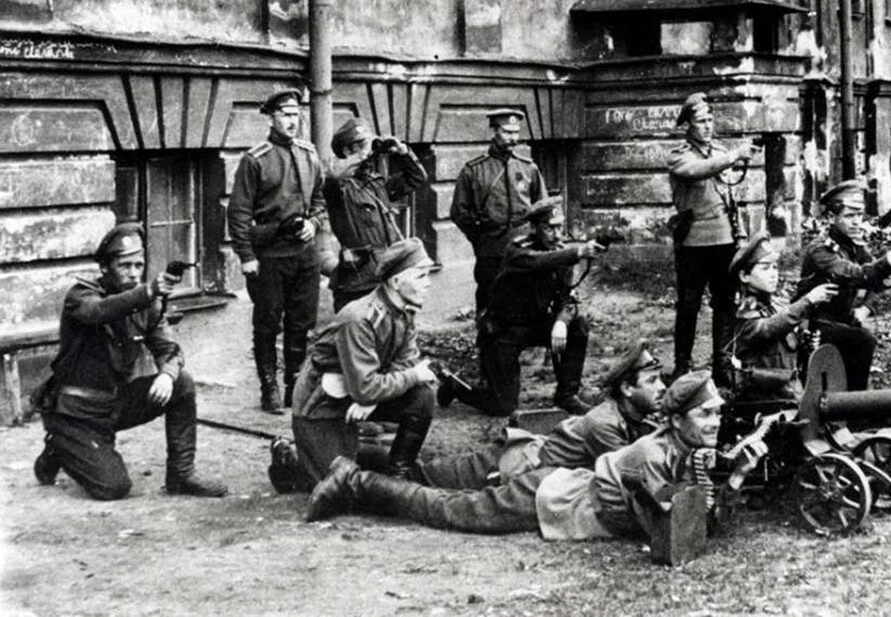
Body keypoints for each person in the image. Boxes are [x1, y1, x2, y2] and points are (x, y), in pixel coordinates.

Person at [303, 371, 766, 544]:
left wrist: (733, 475)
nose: (714, 423)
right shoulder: (651, 454)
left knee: (441, 490)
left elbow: (692, 517)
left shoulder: (681, 450)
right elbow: (679, 537)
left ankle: (321, 468)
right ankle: (354, 480)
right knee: (447, 508)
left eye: (717, 414)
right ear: (678, 419)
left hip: (559, 484)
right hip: (548, 495)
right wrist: (736, 482)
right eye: (705, 414)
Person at [31, 223, 226, 500]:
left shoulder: (146, 304)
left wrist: (166, 375)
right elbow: (100, 311)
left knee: (182, 383)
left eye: (139, 265)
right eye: (125, 266)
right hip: (76, 414)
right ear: (105, 268)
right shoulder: (81, 296)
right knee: (113, 488)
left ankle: (181, 474)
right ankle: (59, 446)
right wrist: (148, 292)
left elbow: (168, 349)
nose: (134, 273)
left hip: (115, 405)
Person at [278, 239, 441, 488]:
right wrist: (388, 386)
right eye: (420, 276)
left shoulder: (404, 309)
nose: (428, 283)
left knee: (421, 397)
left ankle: (399, 472)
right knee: (336, 483)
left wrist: (373, 397)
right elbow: (368, 385)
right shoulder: (359, 319)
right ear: (397, 282)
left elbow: (404, 360)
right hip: (321, 405)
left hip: (356, 392)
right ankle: (289, 462)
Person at [417, 340, 664, 490]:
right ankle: (382, 460)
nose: (663, 387)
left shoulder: (630, 416)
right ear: (627, 389)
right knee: (426, 475)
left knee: (423, 471)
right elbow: (633, 475)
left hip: (531, 460)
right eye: (652, 380)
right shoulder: (604, 425)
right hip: (512, 464)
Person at [441, 196, 602, 416]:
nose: (557, 235)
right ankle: (456, 387)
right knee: (503, 407)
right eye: (549, 228)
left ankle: (567, 395)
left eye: (560, 228)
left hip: (534, 324)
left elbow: (569, 298)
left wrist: (561, 323)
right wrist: (578, 252)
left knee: (578, 326)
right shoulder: (517, 250)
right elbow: (539, 262)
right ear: (534, 228)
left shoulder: (561, 253)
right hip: (503, 330)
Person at [227, 87, 327, 414]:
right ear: (272, 117)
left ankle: (293, 386)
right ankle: (268, 386)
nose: (292, 121)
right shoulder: (255, 160)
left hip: (304, 255)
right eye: (285, 115)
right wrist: (246, 256)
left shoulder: (309, 153)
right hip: (269, 257)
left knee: (302, 322)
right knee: (268, 323)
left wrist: (314, 222)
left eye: (296, 114)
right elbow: (239, 212)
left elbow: (320, 201)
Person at [796, 181, 891, 390]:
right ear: (831, 217)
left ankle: (854, 403)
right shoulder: (820, 249)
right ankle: (854, 407)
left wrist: (866, 308)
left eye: (859, 215)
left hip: (843, 320)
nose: (857, 222)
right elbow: (861, 275)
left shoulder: (853, 244)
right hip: (815, 323)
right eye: (849, 216)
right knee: (862, 340)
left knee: (860, 341)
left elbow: (878, 280)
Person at [666, 92, 760, 381]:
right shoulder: (680, 155)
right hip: (694, 243)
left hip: (724, 240)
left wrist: (741, 235)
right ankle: (682, 365)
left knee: (725, 303)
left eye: (710, 120)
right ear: (688, 126)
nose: (707, 126)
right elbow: (697, 171)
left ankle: (722, 364)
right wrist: (732, 156)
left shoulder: (719, 151)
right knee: (689, 305)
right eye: (701, 121)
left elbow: (732, 197)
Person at [450, 108, 547, 320]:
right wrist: (480, 237)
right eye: (506, 132)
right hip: (491, 252)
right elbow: (459, 212)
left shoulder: (528, 168)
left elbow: (543, 209)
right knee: (489, 303)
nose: (513, 138)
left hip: (524, 249)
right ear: (493, 131)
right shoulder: (474, 170)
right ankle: (487, 348)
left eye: (516, 132)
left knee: (525, 302)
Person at [323, 117, 429, 311]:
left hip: (385, 272)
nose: (371, 150)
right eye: (364, 144)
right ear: (347, 151)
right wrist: (362, 154)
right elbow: (333, 175)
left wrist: (404, 153)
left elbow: (417, 178)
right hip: (358, 279)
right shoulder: (341, 188)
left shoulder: (376, 184)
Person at [728, 234, 838, 404]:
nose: (773, 274)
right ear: (744, 276)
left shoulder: (775, 305)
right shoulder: (745, 312)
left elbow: (784, 343)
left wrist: (804, 342)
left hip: (787, 393)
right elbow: (770, 328)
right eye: (765, 268)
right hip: (762, 401)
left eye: (775, 267)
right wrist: (808, 301)